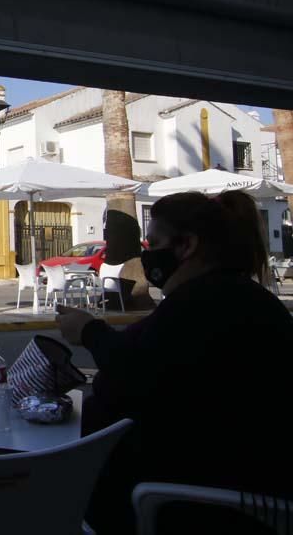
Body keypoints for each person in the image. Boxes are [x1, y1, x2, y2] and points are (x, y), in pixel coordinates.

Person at [58, 191, 293, 534]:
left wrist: (90, 331)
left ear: (186, 246)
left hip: (192, 504)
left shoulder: (207, 306)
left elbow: (132, 375)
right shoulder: (233, 298)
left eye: (152, 243)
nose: (146, 253)